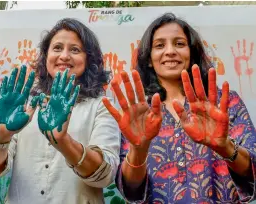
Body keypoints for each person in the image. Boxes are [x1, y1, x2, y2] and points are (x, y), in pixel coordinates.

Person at [103, 13, 256, 203]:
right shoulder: (139, 114)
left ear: (191, 53)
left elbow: (252, 171)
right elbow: (131, 190)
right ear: (149, 58)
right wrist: (139, 150)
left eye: (179, 44)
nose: (170, 51)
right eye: (159, 45)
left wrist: (225, 147)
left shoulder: (225, 102)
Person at [0, 18, 120, 204]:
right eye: (57, 48)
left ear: (89, 59)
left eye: (75, 50)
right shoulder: (26, 105)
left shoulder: (102, 105)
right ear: (46, 57)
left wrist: (64, 142)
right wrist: (2, 136)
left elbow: (105, 176)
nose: (64, 56)